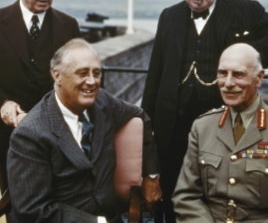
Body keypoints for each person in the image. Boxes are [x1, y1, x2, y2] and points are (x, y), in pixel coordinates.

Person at [141, 0, 268, 223]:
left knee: (217, 200)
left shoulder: (244, 10)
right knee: (174, 206)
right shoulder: (169, 16)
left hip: (223, 132)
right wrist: (148, 150)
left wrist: (243, 54)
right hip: (172, 136)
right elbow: (154, 79)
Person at [7, 38, 162, 223]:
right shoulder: (30, 134)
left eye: (96, 73)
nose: (91, 82)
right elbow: (32, 210)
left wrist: (151, 175)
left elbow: (141, 116)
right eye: (82, 73)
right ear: (57, 76)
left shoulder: (103, 102)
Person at [172, 43, 268, 223]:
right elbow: (186, 196)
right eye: (222, 73)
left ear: (259, 78)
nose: (228, 83)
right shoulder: (202, 127)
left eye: (238, 74)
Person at [0, 0, 81, 192]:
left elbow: (83, 79)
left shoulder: (69, 26)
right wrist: (3, 102)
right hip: (5, 138)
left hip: (55, 138)